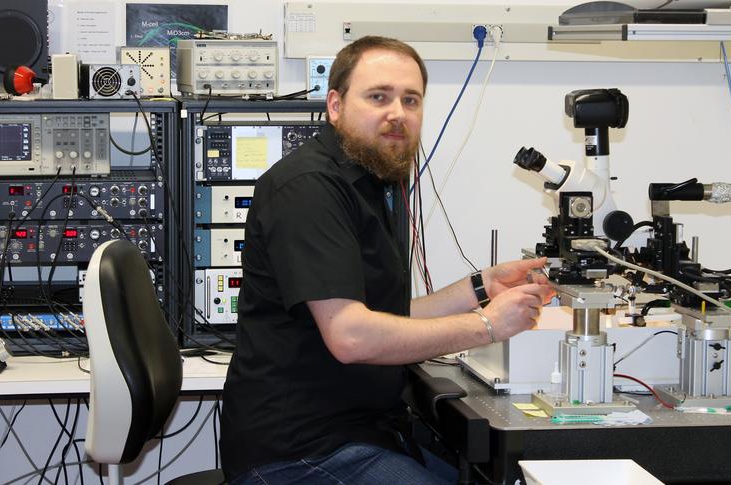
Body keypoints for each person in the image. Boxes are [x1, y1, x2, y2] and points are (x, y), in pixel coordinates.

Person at [220, 36, 554, 484]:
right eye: (378, 96)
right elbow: (352, 336)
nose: (397, 113)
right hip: (299, 451)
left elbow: (385, 316)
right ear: (335, 106)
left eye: (410, 100)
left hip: (361, 431)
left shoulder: (372, 181)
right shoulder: (308, 188)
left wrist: (482, 287)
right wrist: (488, 325)